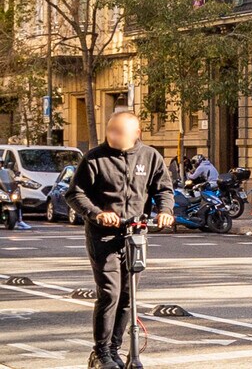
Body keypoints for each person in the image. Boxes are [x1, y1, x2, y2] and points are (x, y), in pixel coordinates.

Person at [70, 109, 174, 369]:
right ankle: (101, 351)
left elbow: (163, 189)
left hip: (135, 235)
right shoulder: (94, 159)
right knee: (110, 293)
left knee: (129, 295)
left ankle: (116, 349)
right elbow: (75, 194)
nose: (113, 136)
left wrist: (165, 212)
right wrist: (97, 214)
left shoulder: (150, 157)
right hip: (102, 236)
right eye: (110, 131)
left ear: (136, 134)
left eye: (120, 132)